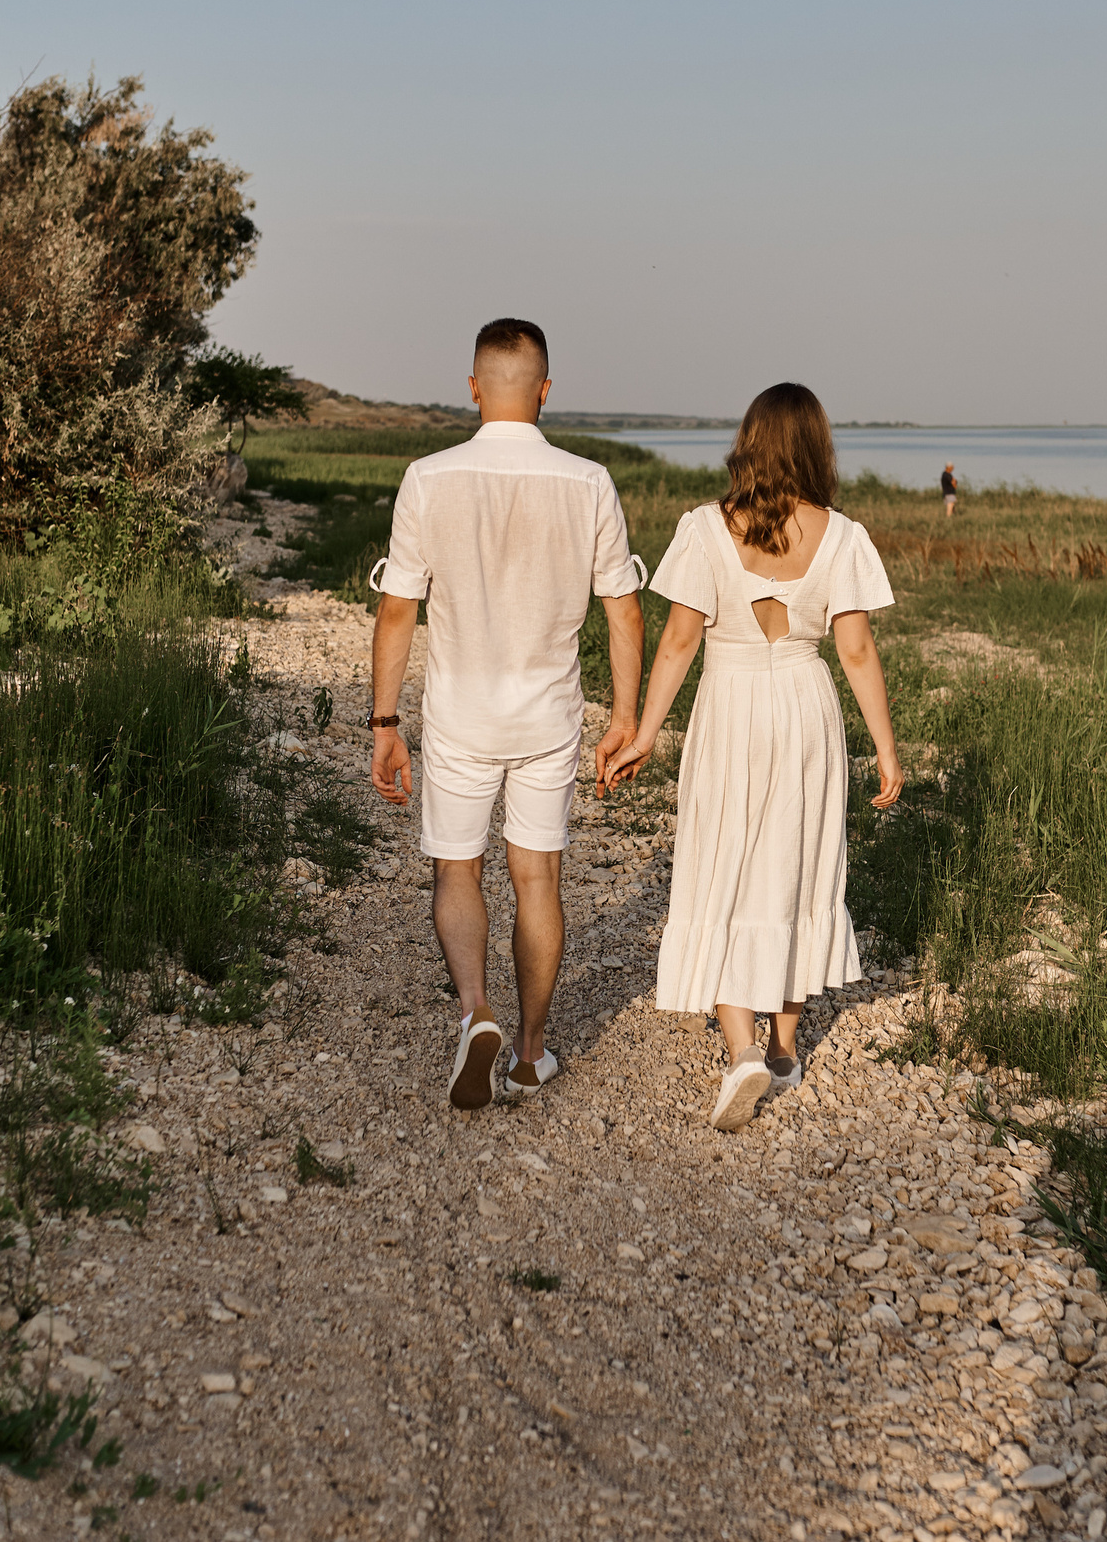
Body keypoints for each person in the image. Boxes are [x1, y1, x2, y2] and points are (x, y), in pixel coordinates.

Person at [601, 384, 902, 1132]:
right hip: (804, 706)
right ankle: (783, 1045)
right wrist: (888, 750)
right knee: (797, 863)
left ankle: (739, 1044)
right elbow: (857, 650)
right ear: (816, 447)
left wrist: (643, 732)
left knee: (723, 861)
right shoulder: (840, 535)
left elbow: (679, 641)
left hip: (729, 706)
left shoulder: (706, 529)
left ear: (749, 442)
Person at [368, 319, 646, 1110]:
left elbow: (397, 611)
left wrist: (384, 722)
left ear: (474, 388)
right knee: (538, 876)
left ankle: (473, 1012)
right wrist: (624, 715)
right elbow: (622, 611)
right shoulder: (589, 481)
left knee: (457, 869)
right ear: (547, 391)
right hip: (548, 716)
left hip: (461, 712)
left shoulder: (428, 476)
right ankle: (528, 1055)